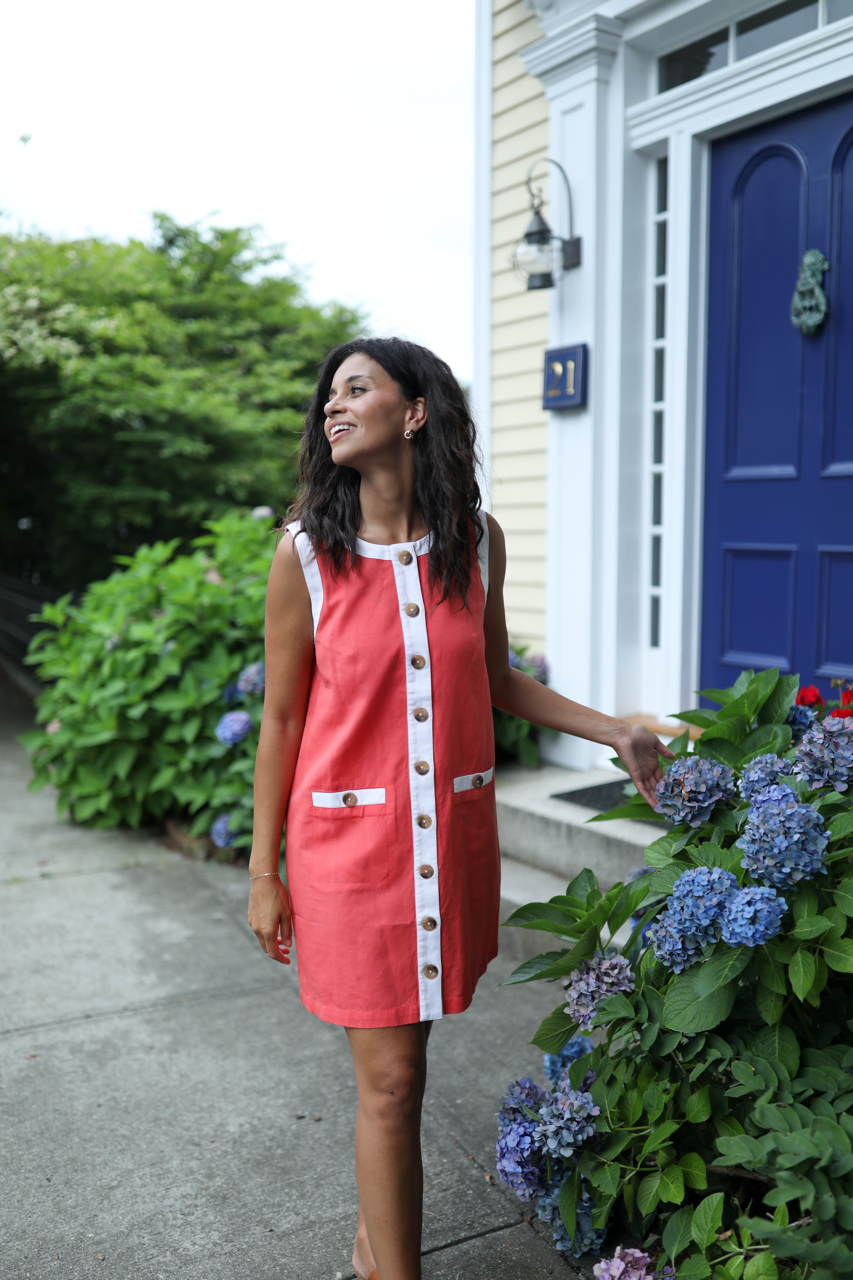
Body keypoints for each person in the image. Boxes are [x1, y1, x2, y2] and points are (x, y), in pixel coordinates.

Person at [247, 337, 673, 1280]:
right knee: (393, 1085)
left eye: (356, 388)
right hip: (347, 855)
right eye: (328, 394)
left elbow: (495, 679)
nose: (332, 405)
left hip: (445, 845)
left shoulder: (472, 543)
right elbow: (279, 719)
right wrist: (262, 871)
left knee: (410, 1062)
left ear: (414, 411)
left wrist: (614, 730)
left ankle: (373, 1239)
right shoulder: (305, 559)